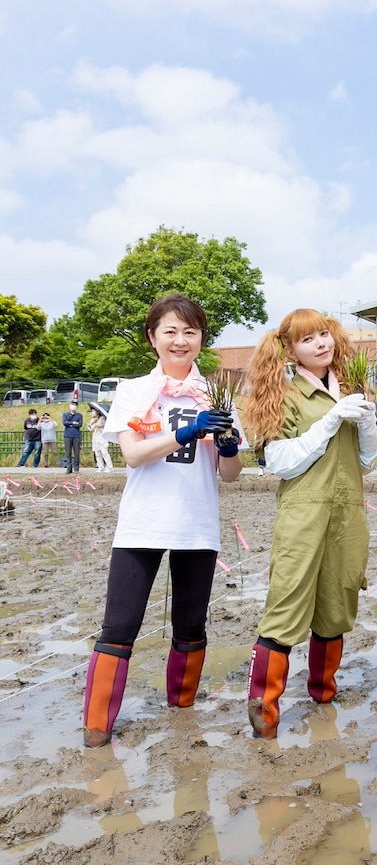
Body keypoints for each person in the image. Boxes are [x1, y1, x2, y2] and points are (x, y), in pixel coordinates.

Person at [82, 295, 243, 748]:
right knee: (119, 626)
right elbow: (132, 455)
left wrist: (228, 446)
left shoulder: (214, 394)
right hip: (142, 523)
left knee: (191, 626)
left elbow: (230, 475)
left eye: (190, 332)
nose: (180, 340)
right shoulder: (134, 391)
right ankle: (97, 728)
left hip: (197, 524)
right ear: (153, 337)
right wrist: (188, 431)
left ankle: (182, 708)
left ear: (200, 340)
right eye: (170, 331)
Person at [243, 309, 377, 739]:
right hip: (303, 514)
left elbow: (368, 463)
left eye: (324, 334)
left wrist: (369, 421)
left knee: (337, 604)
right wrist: (330, 420)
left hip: (348, 513)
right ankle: (264, 710)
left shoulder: (351, 390)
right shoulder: (284, 395)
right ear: (289, 349)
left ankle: (323, 694)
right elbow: (280, 463)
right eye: (307, 340)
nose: (321, 344)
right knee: (286, 605)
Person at [88, 402, 114, 473]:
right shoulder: (92, 419)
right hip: (96, 437)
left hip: (102, 437)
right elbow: (90, 428)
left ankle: (109, 466)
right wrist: (92, 423)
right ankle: (100, 467)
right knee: (97, 453)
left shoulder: (103, 418)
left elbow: (103, 425)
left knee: (104, 452)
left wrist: (96, 424)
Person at [62, 400, 84, 473]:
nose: (73, 406)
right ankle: (69, 468)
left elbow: (80, 424)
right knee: (68, 452)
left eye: (75, 404)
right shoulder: (65, 414)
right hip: (67, 435)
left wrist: (70, 424)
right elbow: (65, 422)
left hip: (76, 435)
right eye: (72, 404)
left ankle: (76, 468)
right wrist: (73, 423)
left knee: (76, 452)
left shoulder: (79, 415)